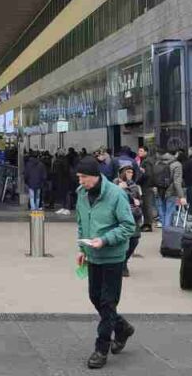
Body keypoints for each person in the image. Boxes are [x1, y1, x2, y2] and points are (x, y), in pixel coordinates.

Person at [74, 156, 136, 369]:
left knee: (108, 302)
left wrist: (105, 239)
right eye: (79, 177)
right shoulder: (81, 194)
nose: (80, 181)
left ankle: (101, 348)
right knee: (95, 297)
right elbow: (81, 223)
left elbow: (129, 226)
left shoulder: (115, 194)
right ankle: (122, 328)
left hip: (113, 256)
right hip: (93, 255)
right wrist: (82, 248)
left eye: (83, 177)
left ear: (95, 176)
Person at [115, 165, 143, 277]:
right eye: (127, 172)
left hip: (133, 216)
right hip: (119, 216)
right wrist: (121, 189)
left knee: (134, 240)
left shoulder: (135, 186)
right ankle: (121, 264)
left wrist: (139, 202)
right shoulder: (115, 184)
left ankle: (124, 261)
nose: (129, 174)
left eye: (131, 172)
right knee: (122, 241)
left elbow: (140, 201)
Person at [152, 149, 185, 229]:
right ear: (176, 154)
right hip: (171, 192)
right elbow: (177, 182)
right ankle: (167, 233)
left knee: (162, 213)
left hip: (159, 191)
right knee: (169, 212)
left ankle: (164, 232)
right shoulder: (177, 164)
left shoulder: (158, 162)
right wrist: (182, 196)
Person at [136, 146, 156, 232]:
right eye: (139, 151)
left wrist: (138, 180)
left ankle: (148, 225)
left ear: (146, 152)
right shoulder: (146, 160)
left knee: (147, 205)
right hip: (147, 186)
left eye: (141, 151)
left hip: (146, 186)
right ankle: (146, 224)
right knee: (145, 205)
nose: (139, 152)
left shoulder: (147, 161)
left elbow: (147, 174)